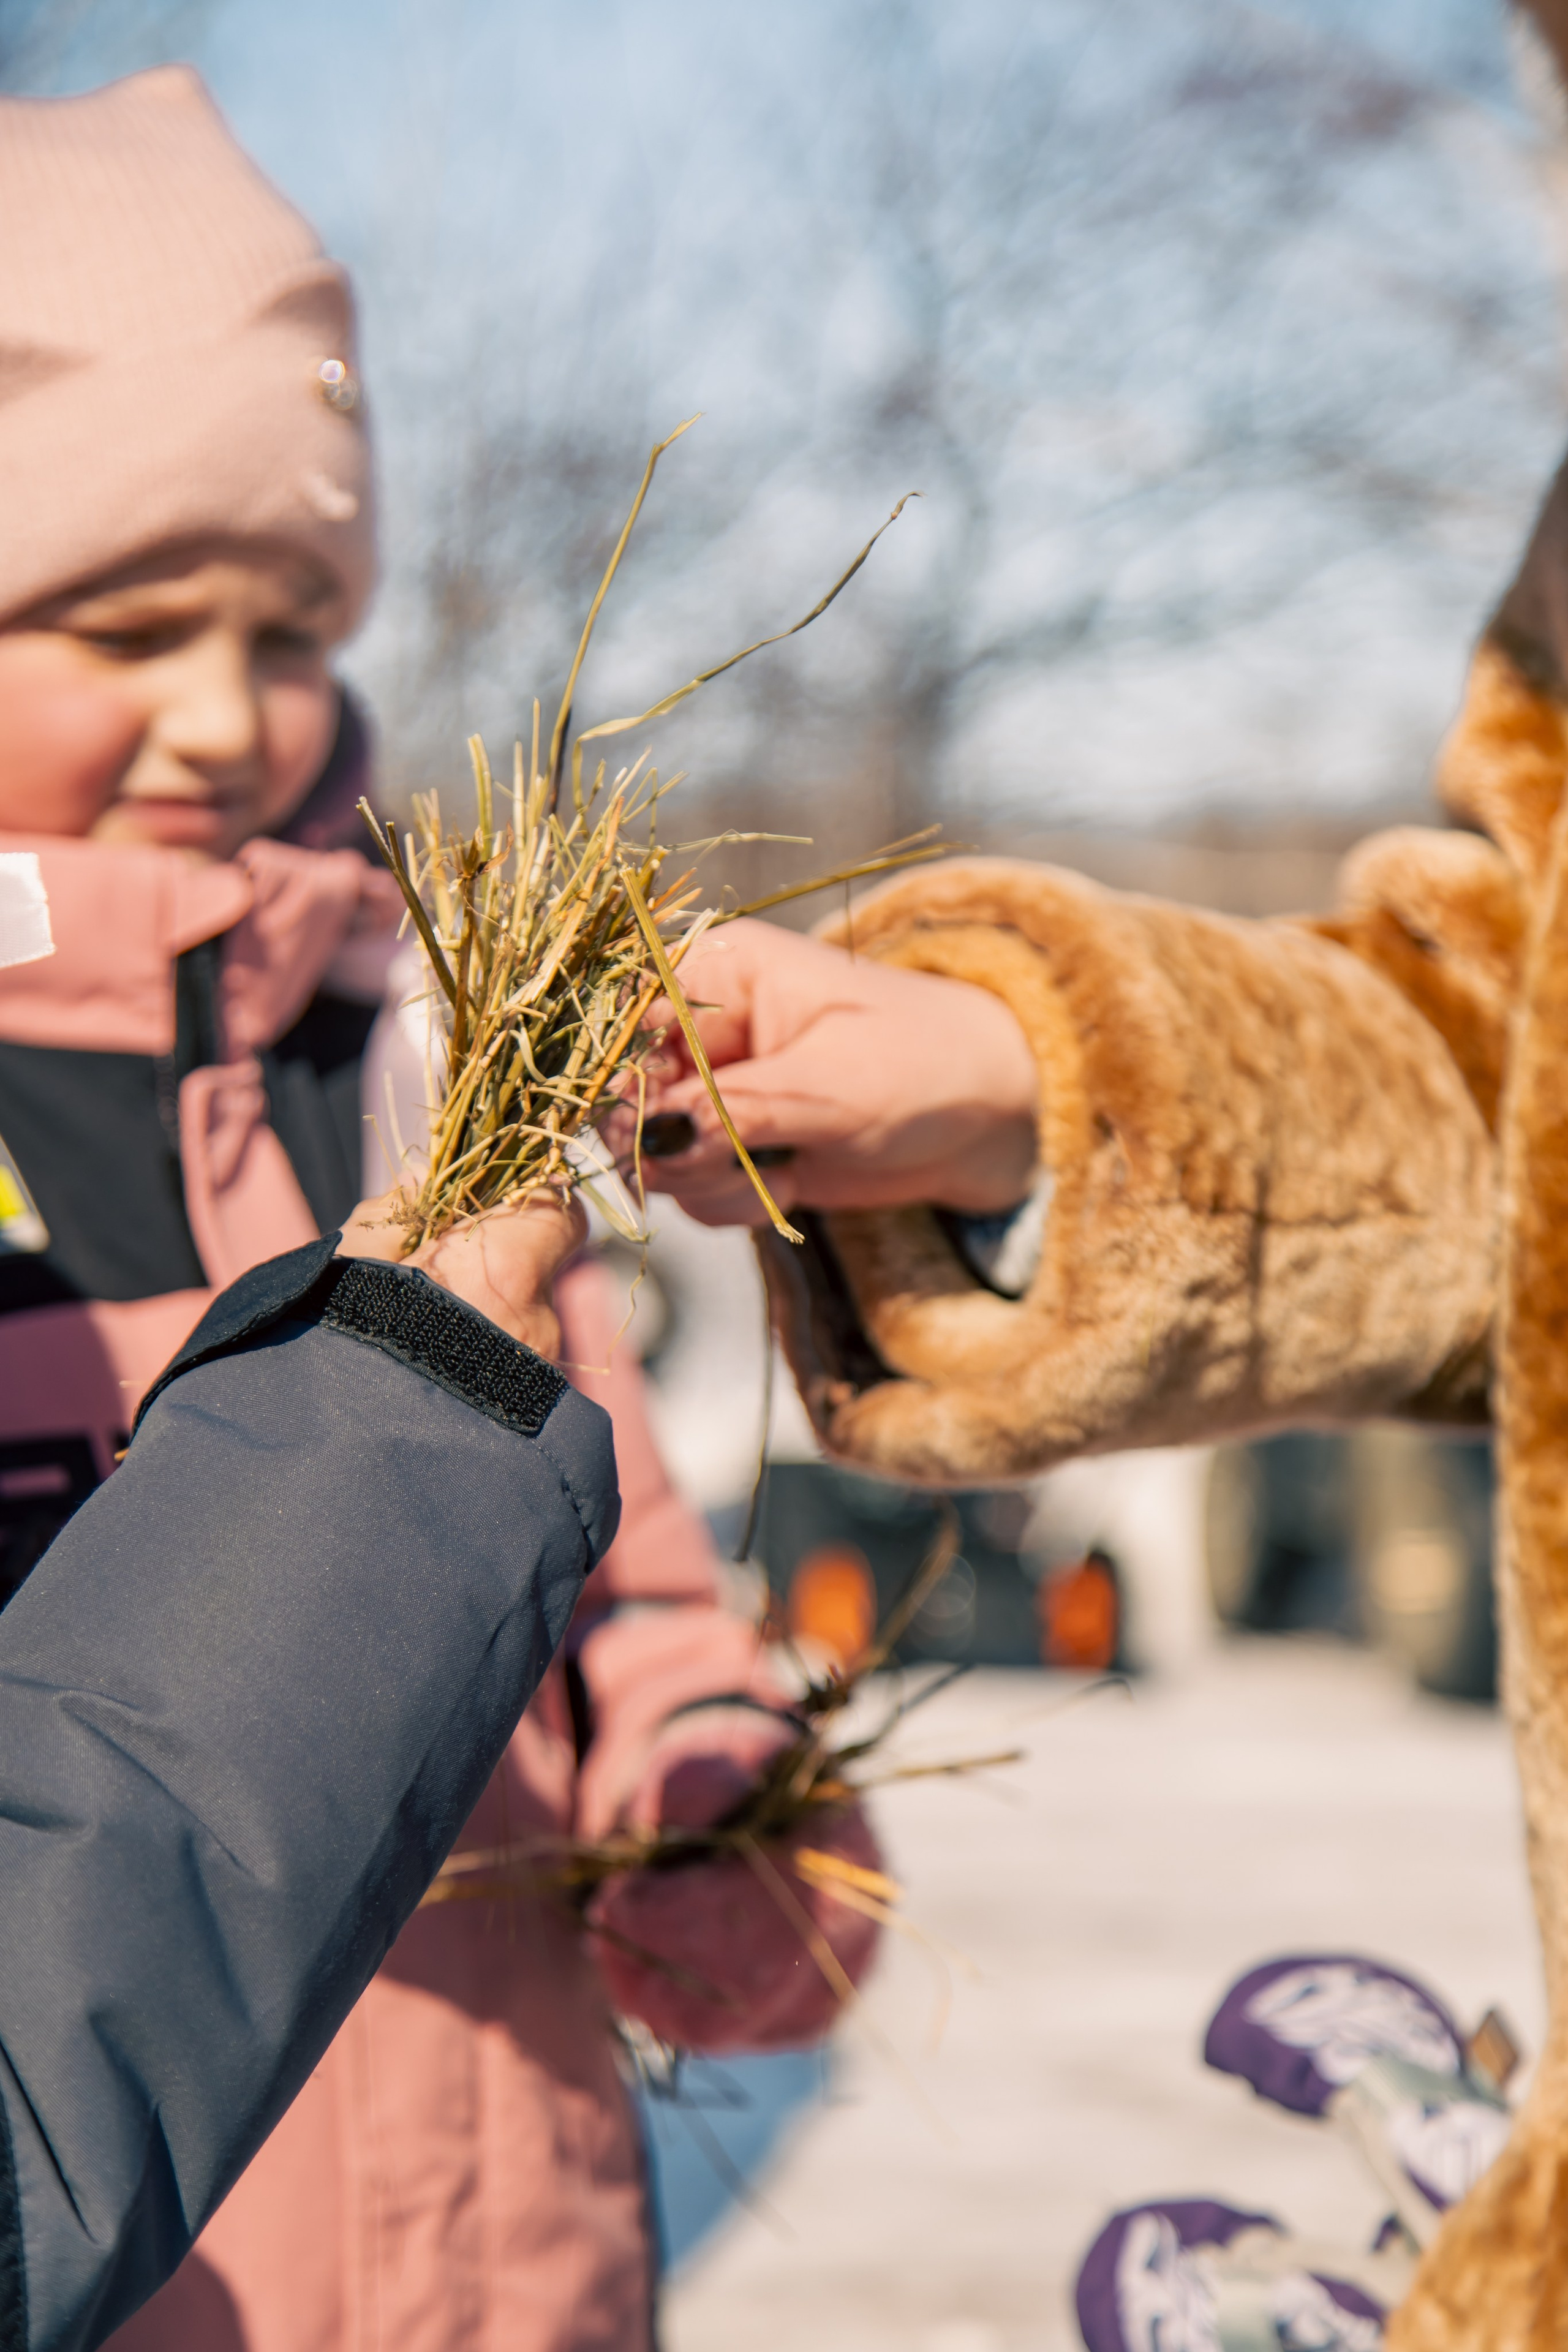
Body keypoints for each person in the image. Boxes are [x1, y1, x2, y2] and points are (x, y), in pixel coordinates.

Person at [0, 68, 875, 2352]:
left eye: (290, 630)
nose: (225, 714)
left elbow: (628, 1565)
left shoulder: (409, 1048)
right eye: (116, 619)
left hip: (517, 2255)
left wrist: (706, 1767)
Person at [0, 1187, 618, 2352]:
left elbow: (646, 1614)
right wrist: (415, 1410)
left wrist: (695, 1753)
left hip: (529, 2253)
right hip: (190, 2287)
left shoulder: (421, 1084)